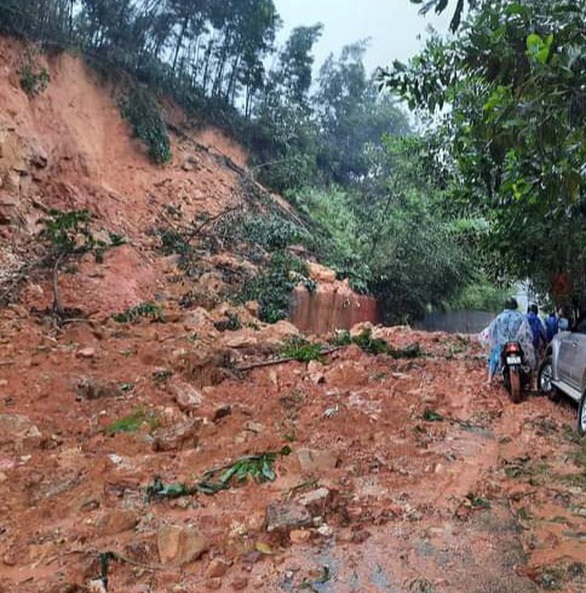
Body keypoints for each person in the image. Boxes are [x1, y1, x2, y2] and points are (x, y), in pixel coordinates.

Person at [485, 297, 535, 385]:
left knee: (494, 357)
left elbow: (492, 332)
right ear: (515, 306)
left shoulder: (499, 317)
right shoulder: (521, 317)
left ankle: (490, 380)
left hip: (503, 345)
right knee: (529, 359)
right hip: (519, 345)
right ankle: (532, 382)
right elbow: (528, 333)